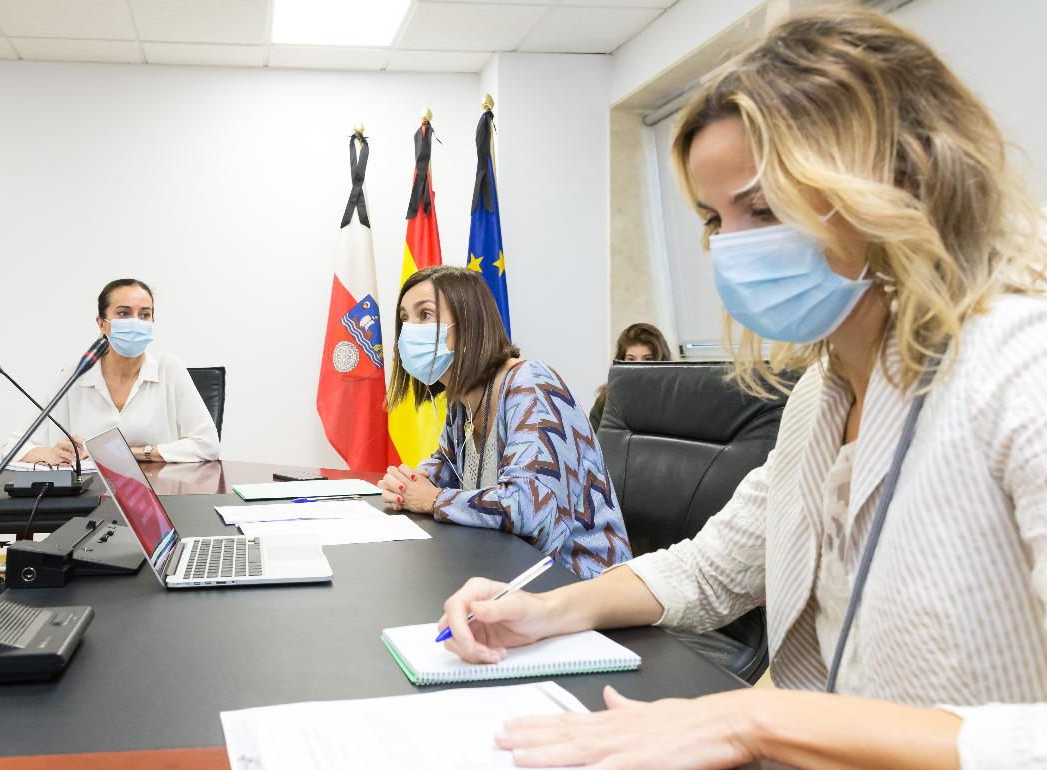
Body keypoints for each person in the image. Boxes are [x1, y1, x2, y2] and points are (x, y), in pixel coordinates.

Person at [437, 7, 1047, 768]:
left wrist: (753, 721)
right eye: (714, 217)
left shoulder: (1022, 369)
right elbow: (711, 570)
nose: (732, 248)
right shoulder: (823, 396)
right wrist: (541, 611)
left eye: (763, 207)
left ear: (901, 183)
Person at [376, 265, 631, 579]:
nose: (409, 329)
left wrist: (434, 500)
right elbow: (444, 467)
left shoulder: (531, 383)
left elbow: (526, 506)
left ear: (469, 324)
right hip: (509, 573)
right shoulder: (462, 398)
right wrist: (406, 484)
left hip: (579, 581)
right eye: (404, 318)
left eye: (425, 315)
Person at [3, 278, 220, 465]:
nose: (136, 322)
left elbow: (208, 445)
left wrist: (127, 454)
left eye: (144, 315)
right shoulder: (76, 375)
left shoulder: (169, 368)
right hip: (92, 497)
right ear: (102, 324)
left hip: (159, 494)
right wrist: (49, 454)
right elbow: (12, 447)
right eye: (124, 313)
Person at [589, 322, 671, 430]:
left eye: (647, 359)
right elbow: (592, 444)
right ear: (621, 361)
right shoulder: (606, 400)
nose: (638, 366)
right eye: (631, 359)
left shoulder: (673, 399)